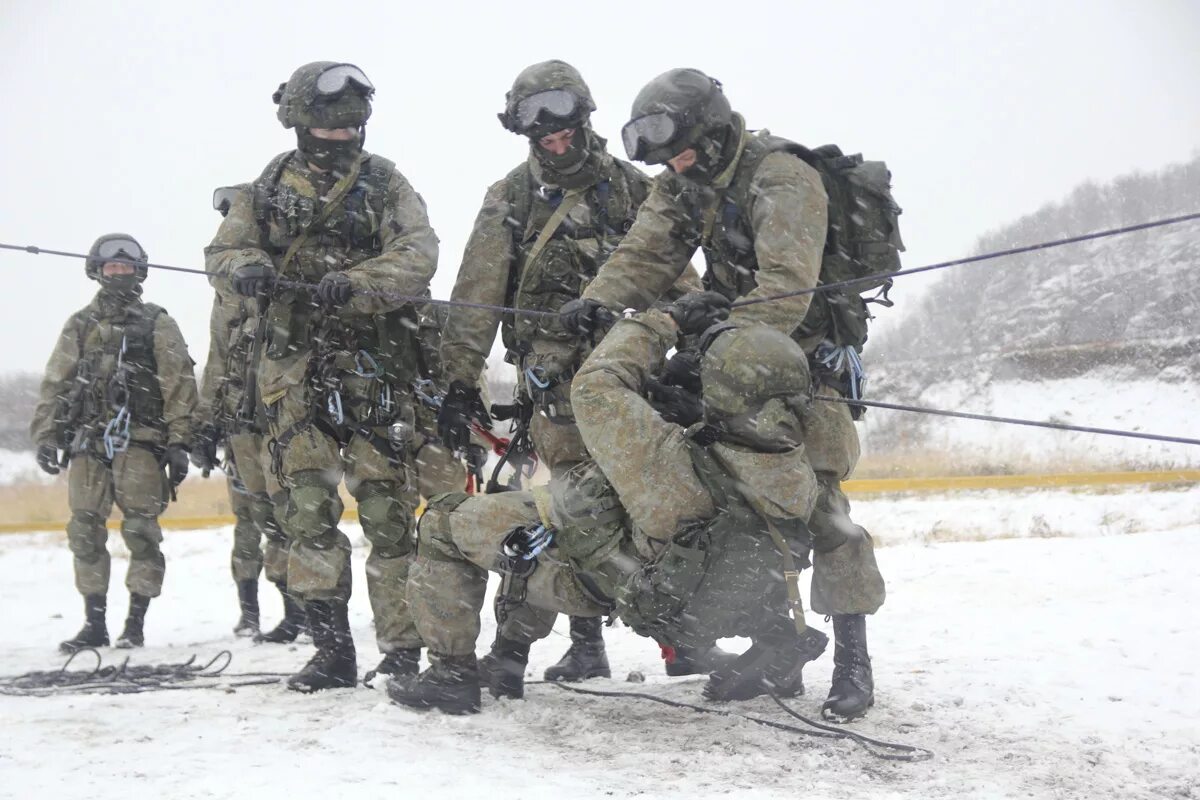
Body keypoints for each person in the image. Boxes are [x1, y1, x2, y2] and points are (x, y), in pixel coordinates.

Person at [560, 68, 892, 722]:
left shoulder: (781, 176)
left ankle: (854, 658)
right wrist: (595, 303)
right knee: (738, 509)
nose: (675, 166)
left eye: (682, 152)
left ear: (710, 133)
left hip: (805, 371)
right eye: (667, 159)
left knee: (823, 512)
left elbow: (787, 291)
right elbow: (644, 256)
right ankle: (781, 648)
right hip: (730, 367)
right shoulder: (688, 184)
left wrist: (707, 344)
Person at [389, 299, 828, 714]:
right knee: (543, 509)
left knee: (450, 520)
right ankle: (505, 663)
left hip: (611, 587)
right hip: (703, 600)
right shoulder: (797, 467)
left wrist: (662, 322)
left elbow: (596, 385)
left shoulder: (661, 458)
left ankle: (453, 674)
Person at [435, 60, 718, 693]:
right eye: (541, 131)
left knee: (656, 513)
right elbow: (477, 296)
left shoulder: (634, 189)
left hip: (632, 389)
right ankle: (555, 650)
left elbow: (680, 279)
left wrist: (687, 346)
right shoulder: (508, 199)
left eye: (566, 126)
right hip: (557, 393)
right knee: (557, 516)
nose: (556, 141)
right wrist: (457, 382)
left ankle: (683, 640)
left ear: (586, 116)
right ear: (524, 132)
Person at [205, 61, 438, 692]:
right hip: (294, 375)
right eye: (328, 131)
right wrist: (249, 266)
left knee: (390, 517)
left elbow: (418, 254)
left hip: (375, 371)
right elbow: (222, 252)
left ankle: (400, 650)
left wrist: (359, 285)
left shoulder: (386, 181)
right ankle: (332, 649)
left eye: (350, 131)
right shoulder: (269, 183)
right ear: (300, 123)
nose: (341, 141)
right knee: (306, 513)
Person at [31, 233, 198, 653]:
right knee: (84, 531)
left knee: (142, 531)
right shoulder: (80, 324)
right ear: (98, 271)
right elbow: (56, 381)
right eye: (111, 267)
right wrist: (47, 435)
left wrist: (180, 440)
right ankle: (95, 624)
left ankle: (135, 624)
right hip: (88, 443)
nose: (118, 272)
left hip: (141, 442)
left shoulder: (157, 322)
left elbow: (179, 383)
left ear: (138, 272)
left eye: (126, 267)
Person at [192, 185, 299, 641]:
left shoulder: (290, 276)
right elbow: (218, 359)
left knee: (291, 516)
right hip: (240, 424)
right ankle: (267, 611)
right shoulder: (228, 297)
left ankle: (303, 611)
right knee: (256, 519)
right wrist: (203, 425)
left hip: (284, 421)